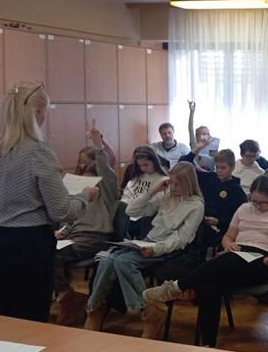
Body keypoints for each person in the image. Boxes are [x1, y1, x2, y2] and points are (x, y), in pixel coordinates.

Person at [142, 176, 268, 345]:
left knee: (221, 264)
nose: (257, 206)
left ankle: (177, 287)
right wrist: (228, 244)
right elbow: (228, 237)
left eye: (263, 203)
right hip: (237, 254)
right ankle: (208, 343)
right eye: (254, 201)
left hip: (266, 260)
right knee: (210, 284)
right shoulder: (244, 209)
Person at [0, 81, 98, 322]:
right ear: (37, 113)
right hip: (27, 246)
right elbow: (61, 211)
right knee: (29, 319)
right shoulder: (37, 152)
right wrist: (84, 197)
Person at [85, 162, 204, 338]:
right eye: (171, 182)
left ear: (189, 183)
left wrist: (155, 249)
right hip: (148, 242)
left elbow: (180, 239)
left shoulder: (196, 205)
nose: (173, 187)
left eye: (178, 184)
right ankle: (96, 308)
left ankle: (146, 312)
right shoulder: (166, 195)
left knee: (123, 261)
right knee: (107, 260)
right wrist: (153, 191)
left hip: (168, 248)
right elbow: (131, 211)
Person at [54, 125, 120, 326]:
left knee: (52, 256)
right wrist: (62, 231)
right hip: (72, 236)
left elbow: (106, 170)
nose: (82, 167)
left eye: (86, 163)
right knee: (42, 251)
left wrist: (98, 145)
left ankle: (66, 297)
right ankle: (67, 297)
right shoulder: (75, 185)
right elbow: (69, 216)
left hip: (94, 237)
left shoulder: (105, 187)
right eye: (80, 163)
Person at [180, 148, 247, 252]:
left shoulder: (237, 191)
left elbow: (238, 218)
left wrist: (219, 222)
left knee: (199, 235)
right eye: (217, 167)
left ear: (232, 167)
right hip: (201, 220)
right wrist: (196, 149)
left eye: (223, 168)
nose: (219, 171)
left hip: (221, 227)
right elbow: (184, 166)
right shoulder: (210, 178)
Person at [122, 145, 168, 238]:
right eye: (140, 165)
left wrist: (135, 206)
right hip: (127, 217)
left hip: (145, 220)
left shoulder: (163, 180)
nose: (143, 168)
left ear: (154, 161)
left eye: (146, 165)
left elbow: (151, 209)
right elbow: (124, 200)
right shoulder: (135, 178)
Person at [187, 100, 218, 172]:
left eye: (208, 134)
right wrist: (192, 112)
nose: (206, 136)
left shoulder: (212, 146)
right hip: (198, 172)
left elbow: (216, 162)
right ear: (197, 136)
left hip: (210, 172)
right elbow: (190, 129)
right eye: (203, 134)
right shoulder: (194, 145)